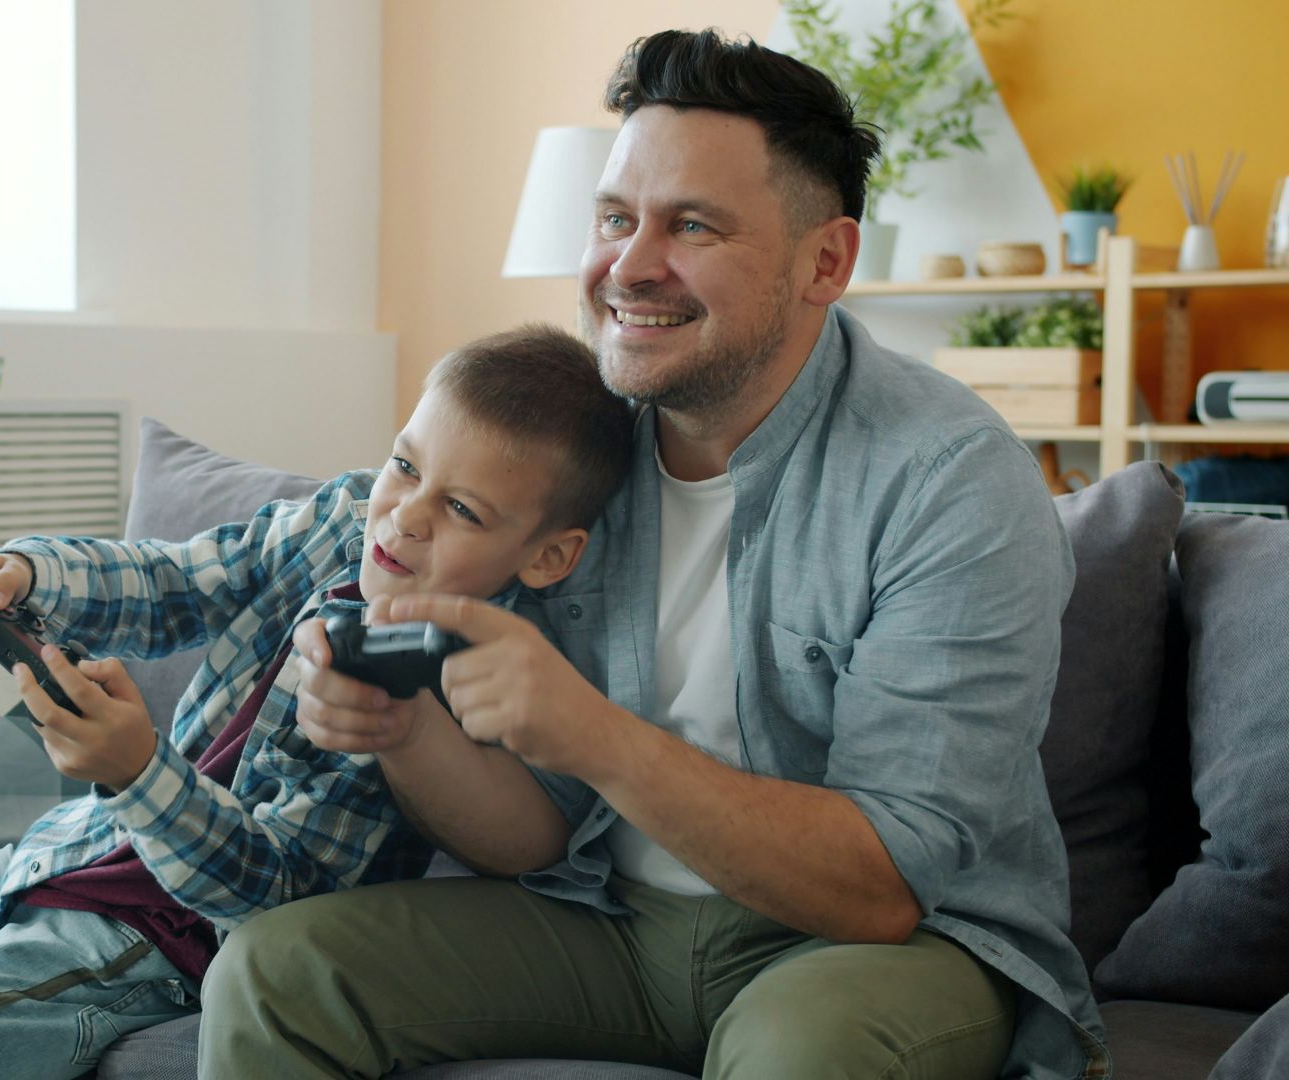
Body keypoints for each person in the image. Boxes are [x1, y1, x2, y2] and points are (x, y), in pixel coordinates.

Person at [198, 29, 1110, 1080]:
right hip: (612, 923)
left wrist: (593, 733)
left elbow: (882, 886)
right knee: (275, 974)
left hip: (881, 949)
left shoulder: (951, 482)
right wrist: (401, 730)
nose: (627, 266)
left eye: (691, 226)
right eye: (615, 218)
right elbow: (536, 836)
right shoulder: (570, 454)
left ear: (828, 261)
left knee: (799, 1051)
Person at [0, 324, 636, 1079]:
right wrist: (28, 571)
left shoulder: (452, 687)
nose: (404, 516)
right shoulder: (343, 517)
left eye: (464, 511)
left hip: (157, 941)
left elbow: (271, 898)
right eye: (405, 466)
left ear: (549, 555)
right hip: (75, 853)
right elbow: (175, 581)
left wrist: (135, 773)